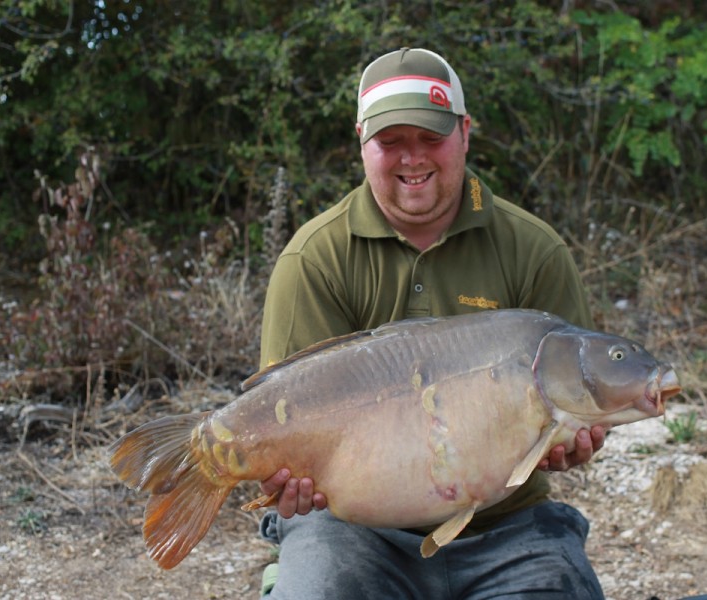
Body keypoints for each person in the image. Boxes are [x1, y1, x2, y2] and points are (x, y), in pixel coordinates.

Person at [256, 47, 607, 599]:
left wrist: (574, 440)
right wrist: (281, 475)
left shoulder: (534, 250)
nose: (411, 158)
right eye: (391, 141)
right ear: (362, 143)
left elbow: (577, 412)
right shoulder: (314, 260)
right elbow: (287, 420)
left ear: (465, 132)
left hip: (507, 523)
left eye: (431, 138)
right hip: (352, 529)